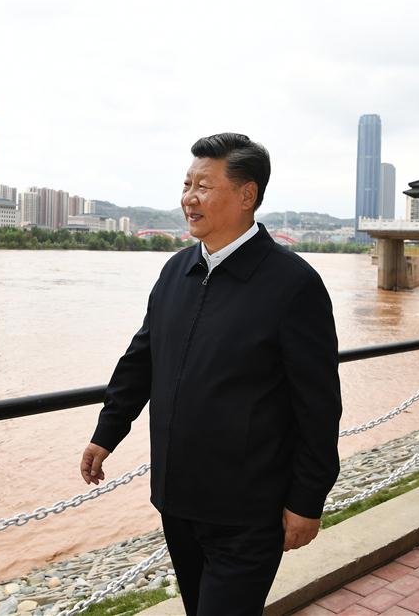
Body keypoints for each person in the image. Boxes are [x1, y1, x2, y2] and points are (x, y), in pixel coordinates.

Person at [80, 133, 342, 615]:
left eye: (204, 184)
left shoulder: (293, 284)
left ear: (247, 196)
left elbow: (318, 406)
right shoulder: (175, 271)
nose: (188, 197)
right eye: (186, 184)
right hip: (178, 500)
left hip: (249, 511)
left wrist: (307, 499)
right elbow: (142, 360)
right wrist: (107, 432)